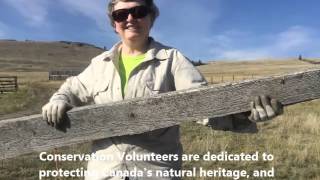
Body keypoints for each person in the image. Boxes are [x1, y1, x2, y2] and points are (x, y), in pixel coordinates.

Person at [42, 0, 282, 179]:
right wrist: (59, 99)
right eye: (121, 14)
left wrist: (245, 113)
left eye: (138, 11)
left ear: (151, 18)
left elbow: (203, 103)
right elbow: (72, 88)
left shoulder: (172, 60)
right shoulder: (99, 64)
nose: (130, 18)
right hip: (104, 173)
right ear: (114, 24)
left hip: (155, 172)